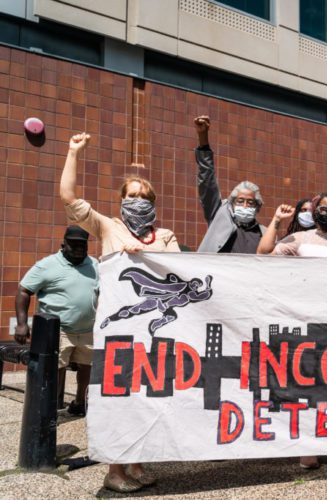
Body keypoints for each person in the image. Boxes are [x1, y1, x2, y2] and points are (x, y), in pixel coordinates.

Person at [61, 132, 180, 492]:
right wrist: (73, 152)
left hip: (156, 332)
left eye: (143, 197)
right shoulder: (107, 226)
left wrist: (147, 255)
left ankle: (137, 463)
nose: (137, 202)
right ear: (121, 200)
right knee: (120, 397)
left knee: (148, 397)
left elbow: (178, 272)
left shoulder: (166, 235)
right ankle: (115, 471)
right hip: (121, 333)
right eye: (131, 196)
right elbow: (68, 198)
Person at [258, 192, 327, 468]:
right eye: (322, 208)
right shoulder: (300, 239)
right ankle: (308, 448)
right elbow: (263, 256)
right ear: (315, 212)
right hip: (305, 322)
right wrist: (277, 222)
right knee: (307, 386)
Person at [15, 226, 98, 417]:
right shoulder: (47, 265)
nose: (78, 248)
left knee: (87, 367)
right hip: (57, 330)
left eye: (82, 245)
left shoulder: (94, 265)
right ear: (63, 245)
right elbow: (23, 290)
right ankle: (49, 407)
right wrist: (21, 323)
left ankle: (80, 403)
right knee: (54, 368)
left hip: (87, 330)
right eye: (74, 244)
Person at [194, 115, 267, 253]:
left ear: (257, 207)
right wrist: (203, 138)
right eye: (240, 201)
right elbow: (207, 182)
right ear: (232, 203)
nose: (245, 206)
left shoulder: (264, 233)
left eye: (250, 203)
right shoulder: (219, 215)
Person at [258, 192, 327, 259]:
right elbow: (263, 255)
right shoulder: (302, 239)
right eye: (324, 210)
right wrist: (277, 218)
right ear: (316, 213)